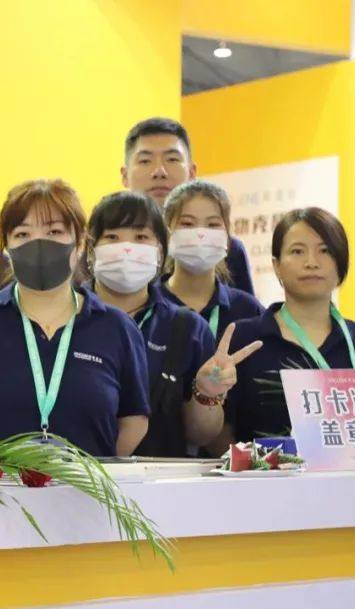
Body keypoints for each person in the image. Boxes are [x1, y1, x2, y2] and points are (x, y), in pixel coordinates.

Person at [0, 179, 150, 457]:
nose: (38, 244)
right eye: (23, 234)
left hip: (85, 483)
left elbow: (134, 419)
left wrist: (96, 469)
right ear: (6, 247)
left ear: (80, 243)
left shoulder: (117, 328)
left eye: (54, 231)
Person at [86, 191, 261, 457]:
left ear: (160, 250)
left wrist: (206, 394)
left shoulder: (188, 327)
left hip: (164, 477)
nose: (127, 248)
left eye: (141, 237)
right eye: (112, 237)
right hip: (74, 475)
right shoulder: (68, 318)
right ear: (90, 249)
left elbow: (200, 435)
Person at [223, 208, 355, 443]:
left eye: (325, 251)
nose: (311, 262)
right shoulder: (245, 339)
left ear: (340, 264)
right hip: (264, 468)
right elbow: (220, 437)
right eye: (297, 251)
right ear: (276, 265)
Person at [120, 117, 255, 296]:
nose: (159, 172)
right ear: (124, 175)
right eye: (145, 161)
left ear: (192, 172)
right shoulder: (108, 248)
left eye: (172, 159)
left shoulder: (226, 248)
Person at [160, 180, 264, 339]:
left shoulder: (248, 310)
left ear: (227, 234)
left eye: (213, 224)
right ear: (167, 232)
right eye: (187, 223)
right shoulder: (148, 306)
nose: (201, 234)